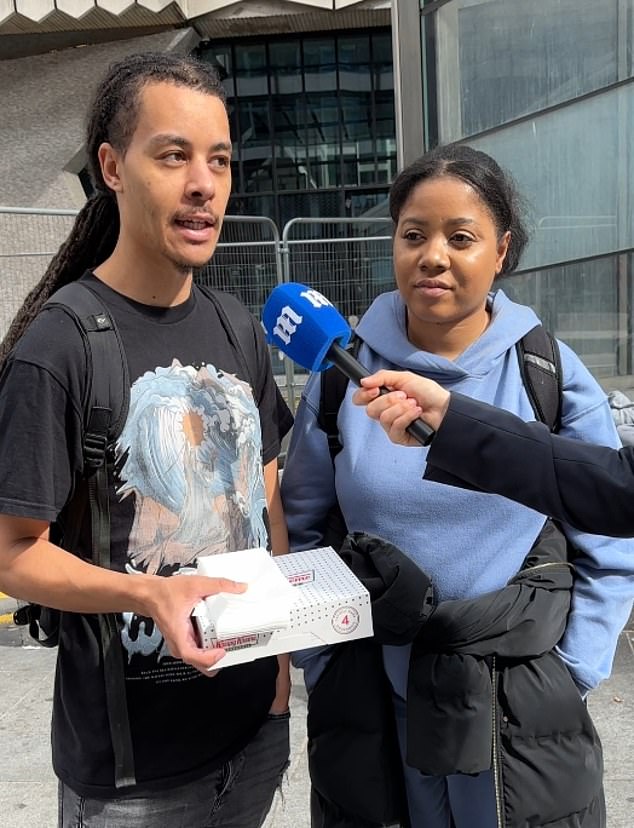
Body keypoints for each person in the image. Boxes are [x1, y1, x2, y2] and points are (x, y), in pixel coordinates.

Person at [280, 143, 634, 827]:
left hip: (519, 701)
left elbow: (608, 529)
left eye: (460, 237)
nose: (432, 256)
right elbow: (306, 526)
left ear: (501, 251)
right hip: (374, 698)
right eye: (413, 235)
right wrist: (321, 665)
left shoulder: (545, 371)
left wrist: (576, 670)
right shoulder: (339, 374)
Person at [0, 53, 293, 827]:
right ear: (112, 168)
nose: (204, 183)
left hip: (251, 734)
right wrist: (146, 592)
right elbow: (11, 554)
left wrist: (280, 672)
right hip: (134, 783)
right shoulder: (61, 345)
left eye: (220, 160)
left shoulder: (237, 324)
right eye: (174, 155)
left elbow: (262, 489)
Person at [353, 371, 634, 538]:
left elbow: (608, 549)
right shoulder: (334, 383)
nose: (435, 266)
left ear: (499, 266)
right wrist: (449, 419)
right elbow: (613, 486)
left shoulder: (547, 360)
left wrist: (588, 638)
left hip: (520, 628)